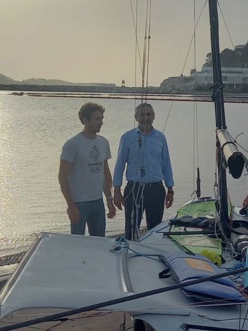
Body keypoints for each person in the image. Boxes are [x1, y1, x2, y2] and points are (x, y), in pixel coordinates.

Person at [113, 102, 175, 239]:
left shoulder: (160, 137)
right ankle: (129, 254)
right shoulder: (127, 137)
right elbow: (120, 164)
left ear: (153, 116)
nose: (145, 118)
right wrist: (116, 190)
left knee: (155, 230)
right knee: (131, 228)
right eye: (142, 115)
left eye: (148, 114)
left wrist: (170, 189)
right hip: (134, 189)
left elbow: (166, 164)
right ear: (136, 117)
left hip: (156, 189)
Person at [58, 102, 116, 236]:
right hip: (79, 203)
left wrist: (109, 199)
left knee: (99, 241)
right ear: (85, 120)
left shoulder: (103, 142)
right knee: (78, 243)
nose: (101, 122)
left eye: (101, 118)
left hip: (97, 202)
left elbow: (105, 173)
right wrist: (71, 206)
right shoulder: (72, 144)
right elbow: (62, 177)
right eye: (97, 119)